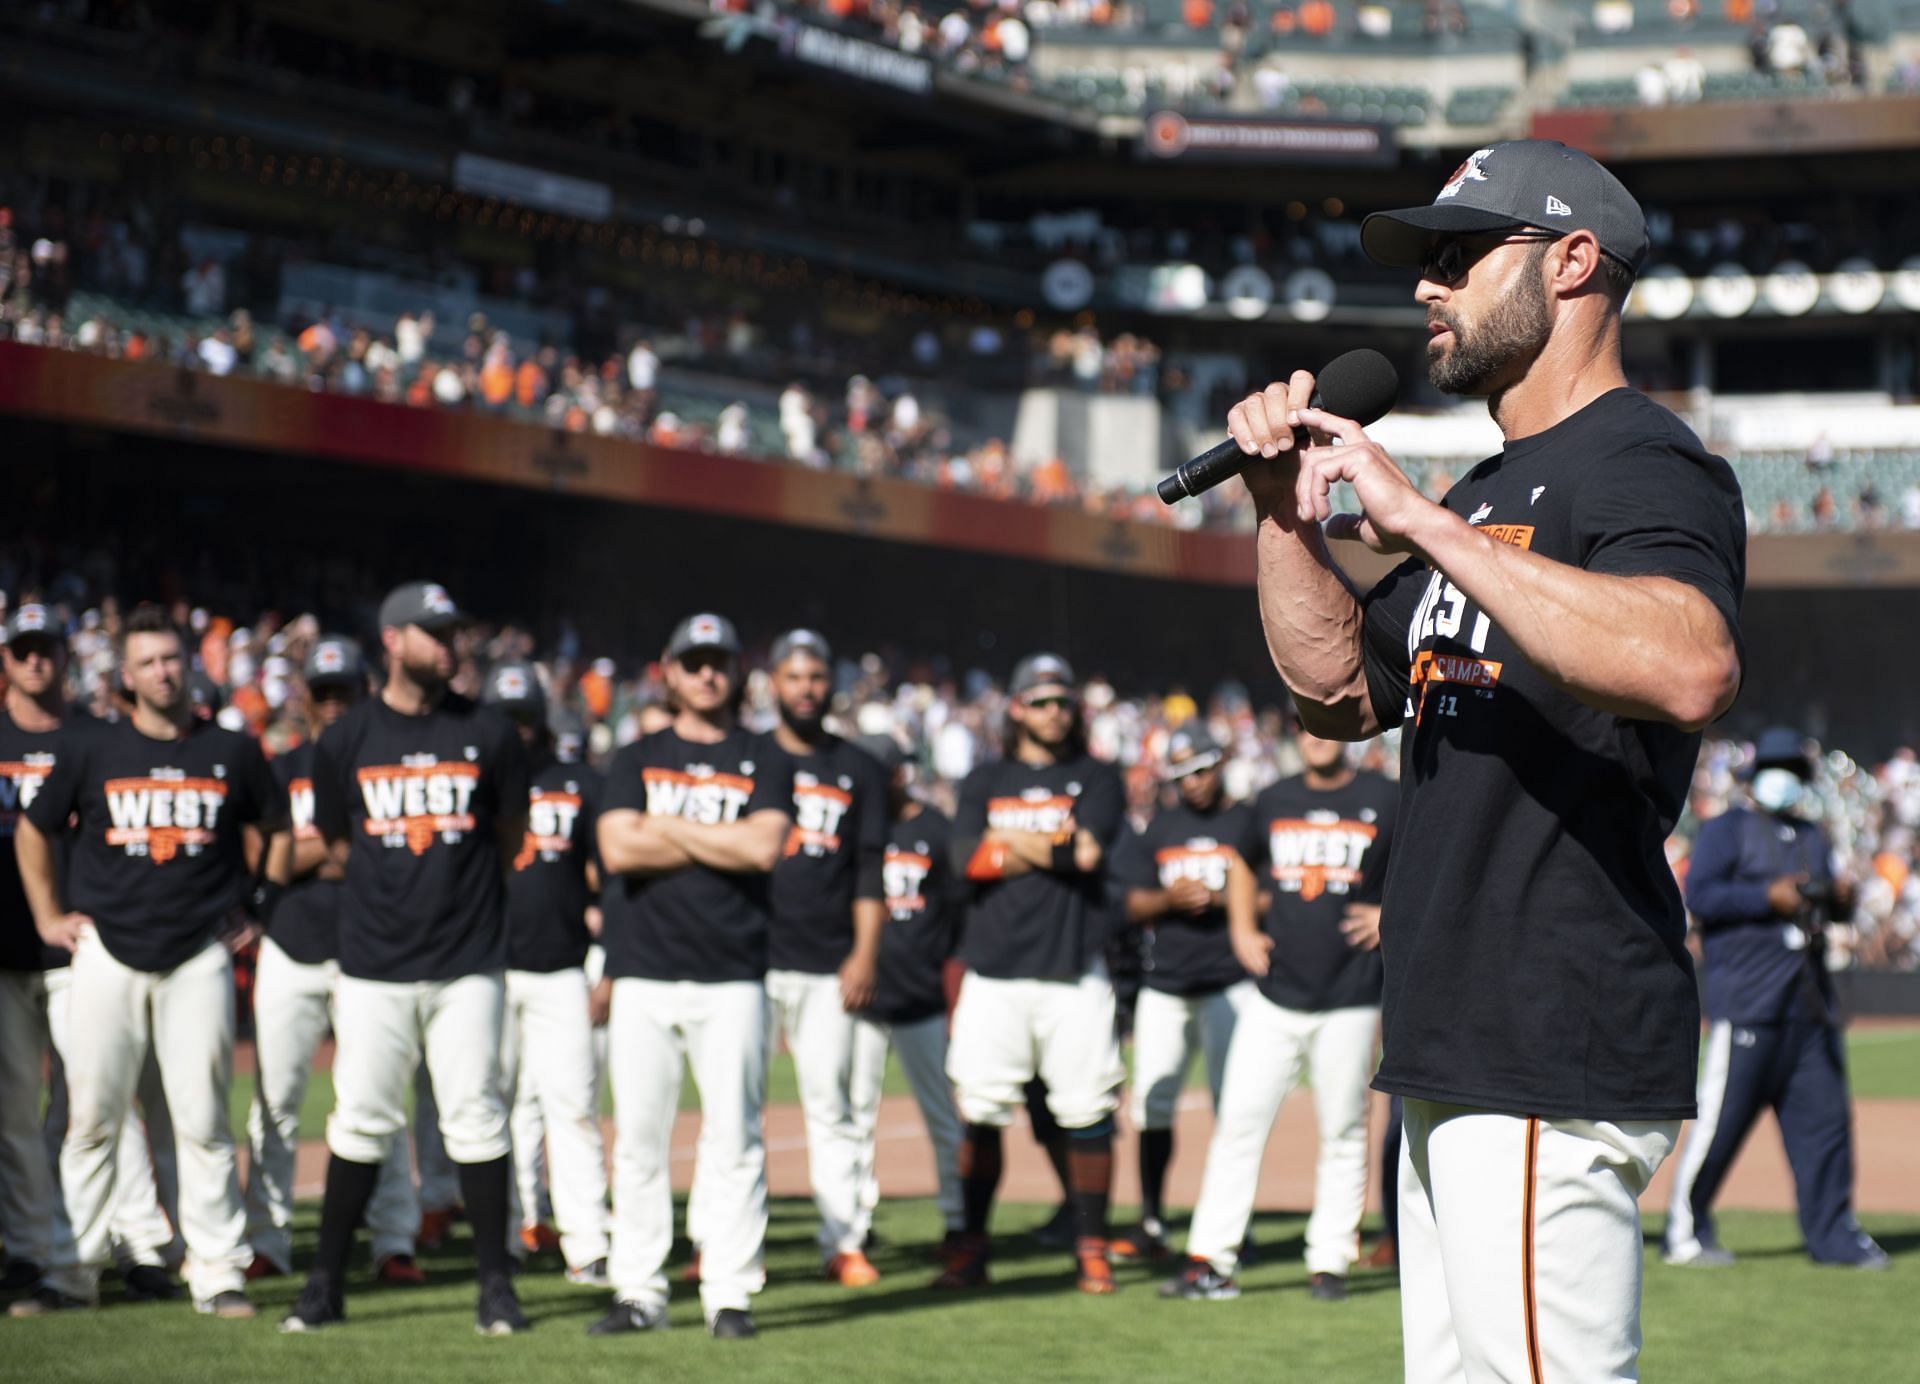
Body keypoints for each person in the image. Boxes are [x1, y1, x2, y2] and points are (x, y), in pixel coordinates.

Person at [1225, 139, 1745, 1381]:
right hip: (1462, 1033)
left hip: (1544, 1023)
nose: (1428, 288)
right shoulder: (1494, 482)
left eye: (1460, 256)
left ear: (1574, 263)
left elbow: (1691, 664)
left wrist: (1418, 523)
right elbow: (1342, 691)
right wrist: (1285, 515)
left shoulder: (1640, 457)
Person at [12, 604, 282, 1319]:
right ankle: (70, 1272)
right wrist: (46, 917)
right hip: (107, 953)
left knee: (202, 1120)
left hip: (198, 954)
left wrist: (259, 909)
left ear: (190, 664)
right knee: (91, 1121)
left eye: (173, 658)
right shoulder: (91, 748)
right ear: (126, 676)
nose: (165, 671)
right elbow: (34, 830)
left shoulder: (232, 749)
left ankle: (218, 1270)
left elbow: (276, 829)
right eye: (150, 662)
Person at [279, 582, 530, 1336]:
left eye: (452, 633)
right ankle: (325, 1285)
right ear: (392, 640)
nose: (448, 646)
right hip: (373, 963)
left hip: (467, 961)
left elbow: (510, 838)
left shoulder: (489, 732)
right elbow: (340, 842)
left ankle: (496, 1288)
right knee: (359, 1121)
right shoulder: (346, 738)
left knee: (477, 1118)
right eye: (432, 633)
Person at [591, 613, 793, 1341]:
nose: (707, 674)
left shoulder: (762, 756)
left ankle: (729, 1294)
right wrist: (717, 839)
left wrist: (666, 828)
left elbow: (762, 849)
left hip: (733, 972)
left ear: (737, 671)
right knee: (639, 1139)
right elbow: (617, 848)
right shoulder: (635, 753)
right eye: (693, 662)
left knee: (734, 1138)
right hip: (645, 972)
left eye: (719, 662)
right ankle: (638, 1291)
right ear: (668, 672)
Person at [1163, 721, 1396, 1303]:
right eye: (1303, 724)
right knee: (1239, 1122)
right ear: (1292, 735)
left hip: (1351, 994)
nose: (1316, 735)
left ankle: (1330, 1261)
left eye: (1326, 723)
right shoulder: (1273, 798)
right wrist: (1241, 928)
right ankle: (1211, 1259)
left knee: (1343, 1129)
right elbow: (1242, 863)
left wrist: (1388, 914)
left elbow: (1424, 865)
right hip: (1275, 992)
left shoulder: (1385, 797)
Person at [0, 604, 178, 1305]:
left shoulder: (102, 738)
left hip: (85, 946)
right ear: (7, 659)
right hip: (7, 947)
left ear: (68, 658)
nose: (36, 661)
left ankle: (137, 1244)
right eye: (23, 650)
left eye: (47, 649)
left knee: (102, 1102)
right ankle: (26, 1251)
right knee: (14, 1113)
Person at [936, 653, 1127, 1295]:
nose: (1053, 712)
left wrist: (1008, 842)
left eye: (1062, 701)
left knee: (1086, 1112)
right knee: (982, 1110)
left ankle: (1091, 1247)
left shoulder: (1096, 776)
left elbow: (1091, 852)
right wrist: (1053, 847)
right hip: (994, 969)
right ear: (1016, 706)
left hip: (1074, 969)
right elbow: (966, 860)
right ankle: (969, 1250)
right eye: (1040, 700)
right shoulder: (985, 777)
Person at [1664, 727, 1888, 1269]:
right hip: (1747, 1004)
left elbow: (1829, 907)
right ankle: (1686, 1232)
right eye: (1776, 766)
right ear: (1756, 774)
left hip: (1809, 1008)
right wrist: (1767, 895)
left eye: (1792, 767)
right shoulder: (1726, 830)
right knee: (1719, 1126)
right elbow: (1701, 897)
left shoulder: (1813, 834)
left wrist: (1840, 898)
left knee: (1826, 1128)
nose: (1783, 777)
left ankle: (1835, 1236)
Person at [242, 636, 422, 1286]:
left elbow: (349, 855)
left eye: (347, 691)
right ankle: (267, 1239)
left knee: (376, 1100)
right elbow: (269, 862)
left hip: (368, 950)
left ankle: (393, 1241)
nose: (336, 704)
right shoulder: (284, 766)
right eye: (325, 693)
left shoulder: (385, 761)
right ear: (307, 700)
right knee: (275, 1101)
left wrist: (312, 850)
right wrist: (342, 848)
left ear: (366, 691)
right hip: (291, 946)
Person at [481, 660, 612, 1287]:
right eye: (505, 718)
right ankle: (502, 1238)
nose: (517, 729)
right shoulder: (470, 781)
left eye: (525, 717)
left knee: (574, 1106)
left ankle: (587, 1243)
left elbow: (610, 880)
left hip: (562, 969)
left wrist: (608, 961)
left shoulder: (577, 783)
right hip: (487, 969)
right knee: (492, 1107)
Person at [763, 630, 888, 1286]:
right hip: (749, 960)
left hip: (828, 960)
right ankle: (720, 1243)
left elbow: (870, 869)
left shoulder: (860, 767)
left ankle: (843, 1241)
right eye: (795, 676)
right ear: (773, 684)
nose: (807, 687)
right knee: (734, 1108)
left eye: (816, 676)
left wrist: (865, 953)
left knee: (831, 1106)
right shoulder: (747, 755)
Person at [1108, 724, 1256, 1263]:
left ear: (1220, 765)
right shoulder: (1158, 828)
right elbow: (1127, 904)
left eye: (1200, 770)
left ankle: (1237, 1227)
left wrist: (1222, 900)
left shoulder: (1245, 820)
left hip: (1229, 982)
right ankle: (1151, 1220)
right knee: (1153, 1103)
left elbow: (1271, 899)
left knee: (1235, 1108)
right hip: (1166, 983)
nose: (1192, 784)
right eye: (1180, 776)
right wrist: (1170, 899)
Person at [846, 732, 965, 1255]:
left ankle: (958, 1219)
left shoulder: (935, 829)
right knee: (854, 1114)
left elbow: (959, 915)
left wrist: (953, 988)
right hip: (863, 1000)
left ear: (896, 774)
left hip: (921, 996)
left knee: (941, 1113)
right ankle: (855, 1222)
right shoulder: (854, 830)